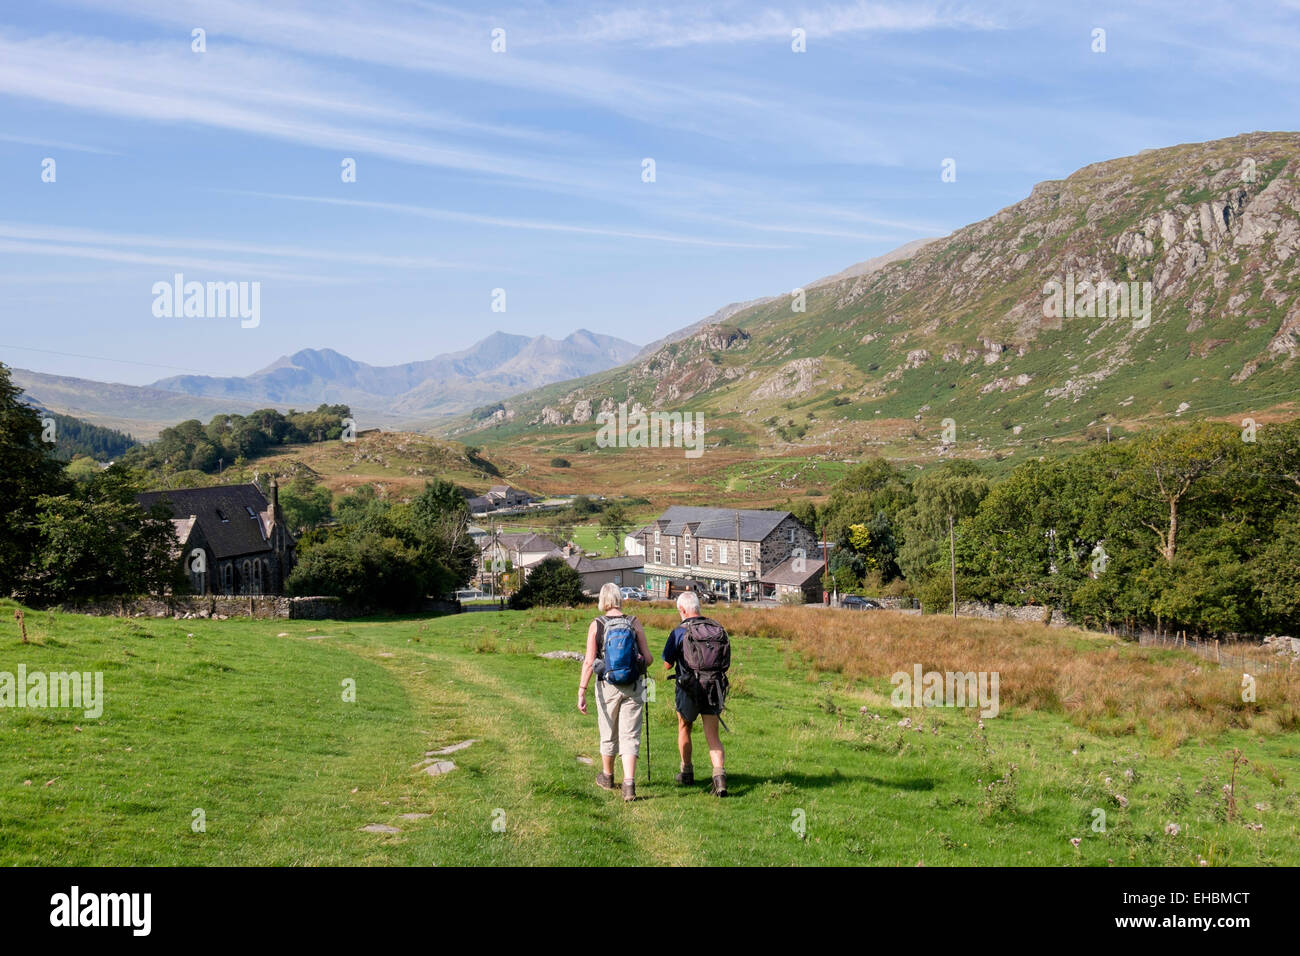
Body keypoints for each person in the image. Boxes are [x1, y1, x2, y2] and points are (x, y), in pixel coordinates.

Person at [578, 582, 654, 801]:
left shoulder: (597, 625)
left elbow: (589, 661)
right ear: (619, 598)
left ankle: (608, 776)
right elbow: (648, 659)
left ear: (603, 600)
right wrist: (638, 661)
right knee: (630, 734)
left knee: (608, 730)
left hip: (607, 686)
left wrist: (582, 690)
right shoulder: (633, 622)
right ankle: (629, 785)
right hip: (633, 685)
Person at [662, 590, 729, 797]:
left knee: (684, 728)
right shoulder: (716, 628)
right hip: (713, 686)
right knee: (713, 735)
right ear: (698, 607)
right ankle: (719, 779)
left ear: (682, 610)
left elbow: (667, 664)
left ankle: (687, 772)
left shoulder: (679, 632)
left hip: (688, 688)